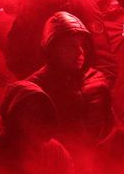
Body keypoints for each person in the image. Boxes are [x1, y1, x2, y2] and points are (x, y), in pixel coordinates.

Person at [25, 11, 114, 157]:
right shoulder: (34, 88)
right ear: (53, 49)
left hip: (97, 165)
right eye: (71, 46)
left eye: (83, 45)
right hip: (57, 168)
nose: (80, 52)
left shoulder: (97, 80)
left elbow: (109, 126)